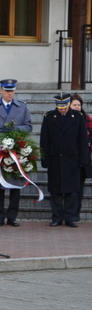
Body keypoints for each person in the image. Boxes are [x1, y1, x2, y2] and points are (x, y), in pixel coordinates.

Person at [0, 79, 32, 227]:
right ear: (1, 91)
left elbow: (28, 126)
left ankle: (12, 216)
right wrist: (0, 133)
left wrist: (15, 131)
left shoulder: (22, 107)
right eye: (7, 90)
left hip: (16, 148)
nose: (10, 93)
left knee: (15, 183)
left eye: (12, 91)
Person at [40, 93, 89, 228]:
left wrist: (84, 158)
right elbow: (44, 140)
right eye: (60, 107)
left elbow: (82, 140)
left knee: (72, 190)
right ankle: (56, 217)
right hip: (55, 157)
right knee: (55, 190)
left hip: (72, 158)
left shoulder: (77, 117)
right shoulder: (49, 117)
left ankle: (70, 217)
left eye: (64, 107)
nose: (62, 109)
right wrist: (44, 158)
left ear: (68, 104)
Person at [70, 94, 92, 222]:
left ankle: (76, 212)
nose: (77, 107)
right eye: (75, 105)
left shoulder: (87, 120)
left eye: (79, 105)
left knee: (79, 187)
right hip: (69, 158)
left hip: (83, 159)